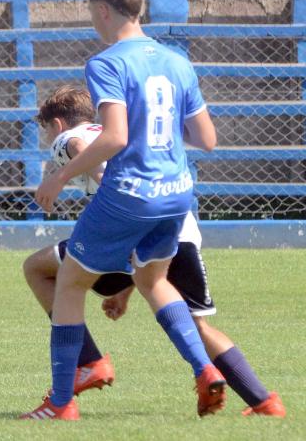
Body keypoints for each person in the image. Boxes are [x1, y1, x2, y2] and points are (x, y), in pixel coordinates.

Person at [22, 0, 224, 420]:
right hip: (177, 194)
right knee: (153, 282)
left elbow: (112, 138)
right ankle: (205, 369)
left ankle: (60, 403)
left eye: (90, 12)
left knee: (70, 283)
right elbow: (206, 138)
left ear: (103, 9)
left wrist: (56, 179)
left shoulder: (107, 62)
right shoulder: (177, 61)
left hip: (130, 193)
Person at [22, 85, 285, 417]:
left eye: (47, 131)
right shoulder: (120, 130)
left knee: (37, 267)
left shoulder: (68, 138)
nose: (50, 138)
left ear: (57, 124)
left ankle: (88, 363)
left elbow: (77, 146)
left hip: (129, 227)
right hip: (180, 230)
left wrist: (91, 175)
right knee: (197, 325)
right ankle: (264, 402)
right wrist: (125, 292)